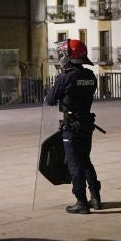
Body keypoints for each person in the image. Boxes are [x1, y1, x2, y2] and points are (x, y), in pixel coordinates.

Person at [45, 39, 101, 214]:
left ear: (70, 56)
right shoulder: (90, 76)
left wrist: (59, 80)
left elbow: (50, 100)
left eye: (62, 54)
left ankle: (81, 201)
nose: (60, 57)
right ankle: (95, 198)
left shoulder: (65, 76)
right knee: (86, 161)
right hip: (86, 123)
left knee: (74, 164)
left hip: (71, 126)